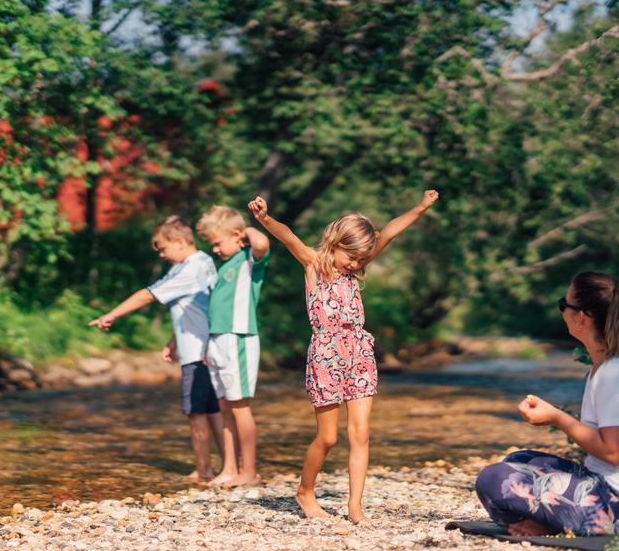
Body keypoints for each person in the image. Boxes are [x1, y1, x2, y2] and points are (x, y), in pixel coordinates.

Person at [247, 190, 440, 524]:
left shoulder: (356, 268)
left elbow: (391, 231)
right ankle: (305, 491)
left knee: (361, 433)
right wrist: (264, 219)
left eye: (362, 260)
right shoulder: (313, 264)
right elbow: (288, 236)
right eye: (351, 256)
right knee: (328, 437)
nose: (356, 264)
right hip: (325, 354)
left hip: (359, 351)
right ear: (334, 242)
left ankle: (355, 507)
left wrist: (421, 208)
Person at [475, 271, 619, 536]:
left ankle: (554, 525)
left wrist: (557, 417)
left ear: (582, 316)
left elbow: (614, 452)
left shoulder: (617, 373)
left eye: (563, 304)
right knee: (518, 460)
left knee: (494, 479)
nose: (562, 310)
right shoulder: (610, 359)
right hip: (607, 486)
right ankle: (552, 523)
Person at [88, 216, 224, 482]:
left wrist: (111, 315)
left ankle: (204, 470)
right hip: (207, 348)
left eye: (163, 249)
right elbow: (195, 308)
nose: (162, 255)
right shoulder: (204, 262)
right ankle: (229, 467)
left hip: (197, 354)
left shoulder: (188, 269)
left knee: (196, 412)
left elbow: (146, 295)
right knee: (214, 410)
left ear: (181, 242)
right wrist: (173, 340)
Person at [195, 206, 271, 488]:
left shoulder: (248, 259)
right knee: (226, 405)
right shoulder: (224, 265)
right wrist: (209, 345)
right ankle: (229, 468)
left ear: (237, 236)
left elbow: (262, 242)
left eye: (218, 242)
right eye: (211, 244)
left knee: (240, 406)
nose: (214, 249)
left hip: (239, 337)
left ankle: (249, 471)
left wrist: (246, 232)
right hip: (218, 340)